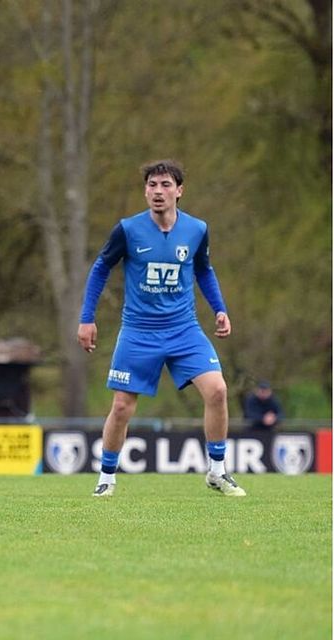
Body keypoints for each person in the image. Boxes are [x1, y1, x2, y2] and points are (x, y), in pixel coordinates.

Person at [77, 159, 246, 498]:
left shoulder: (197, 229)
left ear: (179, 191)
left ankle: (217, 472)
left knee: (217, 391)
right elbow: (100, 268)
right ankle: (107, 478)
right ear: (145, 190)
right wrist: (86, 317)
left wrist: (220, 309)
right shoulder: (127, 229)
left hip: (184, 329)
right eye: (152, 185)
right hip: (138, 331)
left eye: (165, 185)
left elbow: (204, 270)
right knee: (122, 407)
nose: (158, 191)